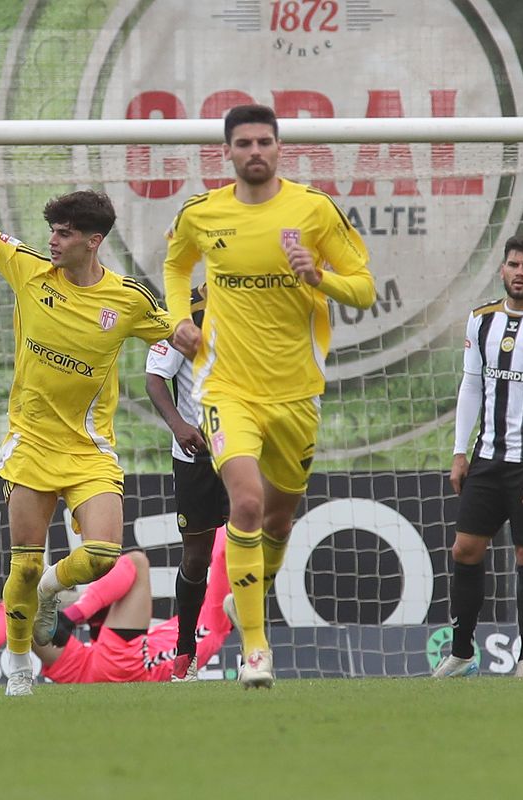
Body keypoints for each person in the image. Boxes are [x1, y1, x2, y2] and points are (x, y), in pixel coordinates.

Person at [0, 126, 173, 696]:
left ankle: (51, 593)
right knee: (21, 565)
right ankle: (20, 665)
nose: (52, 239)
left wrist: (201, 337)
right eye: (51, 229)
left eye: (64, 232)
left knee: (100, 556)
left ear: (93, 241)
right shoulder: (29, 271)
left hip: (89, 448)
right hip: (30, 443)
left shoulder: (127, 300)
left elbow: (175, 333)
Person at [162, 104, 374, 688]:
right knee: (247, 505)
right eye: (244, 143)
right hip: (225, 386)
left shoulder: (314, 210)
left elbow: (363, 288)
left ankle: (242, 605)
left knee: (278, 521)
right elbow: (176, 266)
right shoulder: (203, 213)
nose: (255, 151)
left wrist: (319, 279)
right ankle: (256, 649)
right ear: (226, 153)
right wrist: (180, 318)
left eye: (265, 142)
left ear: (280, 148)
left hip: (297, 394)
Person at [436, 234, 523, 679]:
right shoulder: (481, 320)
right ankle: (460, 653)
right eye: (513, 264)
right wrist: (460, 451)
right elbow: (472, 386)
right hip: (487, 459)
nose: (519, 272)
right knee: (465, 549)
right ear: (502, 270)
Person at [0, 533, 233, 686]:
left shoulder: (217, 618)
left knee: (136, 562)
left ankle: (68, 617)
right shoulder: (199, 624)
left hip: (126, 668)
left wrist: (226, 510)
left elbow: (220, 557)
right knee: (21, 603)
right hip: (91, 666)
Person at [145, 284, 230, 681]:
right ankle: (185, 650)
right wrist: (179, 426)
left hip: (243, 447)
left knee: (256, 540)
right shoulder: (184, 314)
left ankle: (255, 650)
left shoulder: (258, 307)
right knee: (197, 557)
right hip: (196, 455)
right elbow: (154, 380)